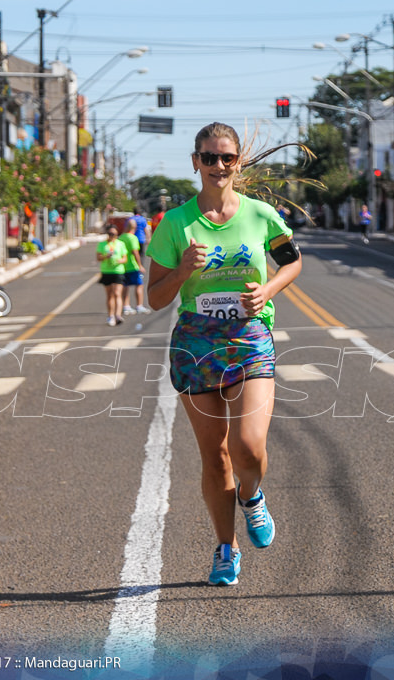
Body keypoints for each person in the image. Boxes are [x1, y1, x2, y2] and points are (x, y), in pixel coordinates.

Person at [147, 122, 303, 586]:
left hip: (251, 337)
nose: (218, 165)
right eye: (209, 157)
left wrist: (268, 291)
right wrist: (181, 271)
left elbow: (292, 260)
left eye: (227, 157)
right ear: (194, 161)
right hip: (197, 343)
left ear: (239, 162)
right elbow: (155, 298)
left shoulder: (261, 216)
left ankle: (252, 496)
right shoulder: (175, 224)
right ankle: (225, 548)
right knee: (215, 456)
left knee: (249, 447)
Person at [97, 225, 128, 326]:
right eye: (110, 234)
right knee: (110, 295)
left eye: (114, 234)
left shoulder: (120, 244)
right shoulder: (102, 244)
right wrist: (106, 256)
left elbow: (125, 258)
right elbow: (98, 257)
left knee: (117, 293)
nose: (112, 236)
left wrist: (120, 260)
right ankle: (111, 316)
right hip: (106, 271)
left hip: (118, 271)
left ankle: (118, 315)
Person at [119, 219, 151, 315]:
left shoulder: (121, 238)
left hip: (123, 266)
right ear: (134, 228)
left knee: (125, 286)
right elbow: (135, 252)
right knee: (139, 285)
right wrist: (140, 265)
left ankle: (126, 306)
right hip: (132, 266)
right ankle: (139, 305)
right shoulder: (132, 238)